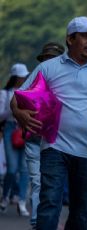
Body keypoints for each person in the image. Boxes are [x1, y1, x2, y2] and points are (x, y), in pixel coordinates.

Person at [10, 16, 87, 230]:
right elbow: (18, 98)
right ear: (70, 39)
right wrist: (19, 113)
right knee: (50, 201)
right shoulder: (49, 67)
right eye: (85, 36)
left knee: (79, 211)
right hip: (54, 147)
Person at [25, 42, 65, 228]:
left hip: (58, 143)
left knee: (53, 187)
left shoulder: (68, 82)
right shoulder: (33, 81)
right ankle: (36, 222)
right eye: (47, 58)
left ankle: (47, 221)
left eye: (53, 58)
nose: (50, 62)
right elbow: (17, 104)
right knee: (38, 182)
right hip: (35, 139)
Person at [0, 63, 30, 217]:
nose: (24, 78)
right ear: (15, 77)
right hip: (10, 129)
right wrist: (13, 107)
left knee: (24, 168)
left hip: (24, 129)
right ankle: (5, 196)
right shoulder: (4, 93)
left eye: (25, 76)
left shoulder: (28, 91)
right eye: (21, 76)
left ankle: (22, 201)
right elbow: (1, 115)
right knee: (12, 168)